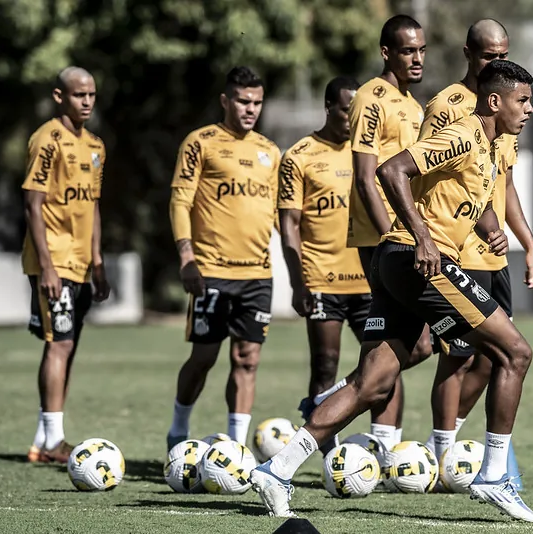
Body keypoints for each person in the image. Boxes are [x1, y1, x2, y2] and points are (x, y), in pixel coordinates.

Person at [251, 60, 533, 523]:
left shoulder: (491, 146)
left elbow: (471, 201)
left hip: (398, 261)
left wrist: (492, 229)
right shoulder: (463, 135)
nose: (529, 109)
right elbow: (392, 170)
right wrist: (423, 237)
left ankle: (277, 469)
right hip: (419, 260)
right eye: (522, 100)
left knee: (372, 382)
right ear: (494, 101)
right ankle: (493, 476)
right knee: (515, 353)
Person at [421, 19, 533, 491]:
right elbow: (422, 172)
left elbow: (503, 185)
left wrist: (527, 243)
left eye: (503, 54)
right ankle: (439, 457)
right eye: (490, 55)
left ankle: (447, 447)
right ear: (469, 54)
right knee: (455, 356)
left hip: (493, 256)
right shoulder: (448, 106)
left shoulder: (509, 109)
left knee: (495, 358)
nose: (497, 61)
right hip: (456, 251)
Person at [297, 14, 431, 450]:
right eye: (408, 50)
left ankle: (341, 409)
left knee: (407, 348)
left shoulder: (413, 105)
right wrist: (394, 236)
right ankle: (366, 436)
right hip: (382, 241)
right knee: (414, 343)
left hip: (406, 236)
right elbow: (364, 177)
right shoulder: (371, 98)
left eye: (422, 50)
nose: (417, 58)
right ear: (386, 53)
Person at [166, 66, 281, 451]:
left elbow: (278, 213)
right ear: (225, 101)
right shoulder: (200, 142)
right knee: (203, 357)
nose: (251, 109)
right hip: (211, 271)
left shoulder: (269, 151)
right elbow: (180, 201)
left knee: (247, 359)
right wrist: (187, 256)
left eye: (257, 102)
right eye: (243, 101)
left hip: (258, 274)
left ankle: (236, 448)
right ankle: (178, 429)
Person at [24, 67, 111, 463]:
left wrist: (98, 261)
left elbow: (93, 205)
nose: (87, 101)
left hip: (80, 263)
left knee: (68, 345)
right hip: (54, 259)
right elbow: (33, 205)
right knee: (59, 344)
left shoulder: (95, 145)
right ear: (60, 96)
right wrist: (47, 266)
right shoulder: (47, 139)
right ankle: (53, 441)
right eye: (79, 95)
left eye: (91, 95)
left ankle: (43, 439)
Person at [278, 76, 367, 452]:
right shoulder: (299, 156)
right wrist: (297, 282)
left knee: (387, 366)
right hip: (322, 279)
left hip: (369, 279)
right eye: (347, 110)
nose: (353, 118)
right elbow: (289, 225)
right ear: (328, 107)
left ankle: (385, 444)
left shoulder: (369, 151)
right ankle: (329, 455)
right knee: (325, 364)